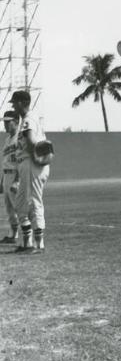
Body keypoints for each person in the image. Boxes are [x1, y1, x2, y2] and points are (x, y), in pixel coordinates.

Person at [9, 90, 50, 254]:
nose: (13, 106)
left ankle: (38, 244)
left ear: (20, 103)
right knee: (20, 205)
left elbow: (32, 141)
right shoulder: (26, 119)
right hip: (26, 165)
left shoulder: (29, 118)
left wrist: (38, 159)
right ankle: (27, 242)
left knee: (34, 202)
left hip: (31, 164)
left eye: (14, 103)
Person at [0, 110, 20, 245]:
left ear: (16, 122)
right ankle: (13, 235)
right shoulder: (7, 140)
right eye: (4, 122)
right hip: (6, 175)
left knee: (19, 207)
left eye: (8, 122)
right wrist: (2, 181)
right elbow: (5, 161)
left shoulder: (20, 138)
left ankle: (26, 239)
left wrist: (17, 181)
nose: (5, 125)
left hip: (15, 175)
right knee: (9, 208)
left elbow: (21, 161)